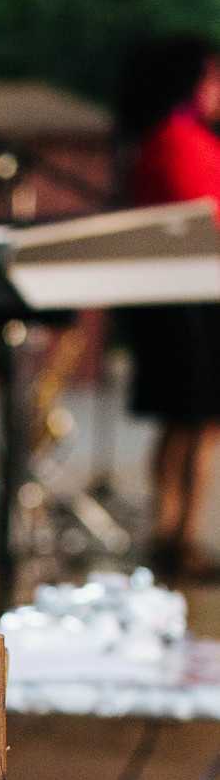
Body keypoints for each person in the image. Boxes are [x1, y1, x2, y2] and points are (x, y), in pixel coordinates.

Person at [118, 34, 220, 575]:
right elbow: (199, 218)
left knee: (198, 424)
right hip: (182, 302)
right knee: (188, 421)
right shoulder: (175, 138)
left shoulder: (187, 136)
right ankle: (171, 534)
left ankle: (180, 534)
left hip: (197, 298)